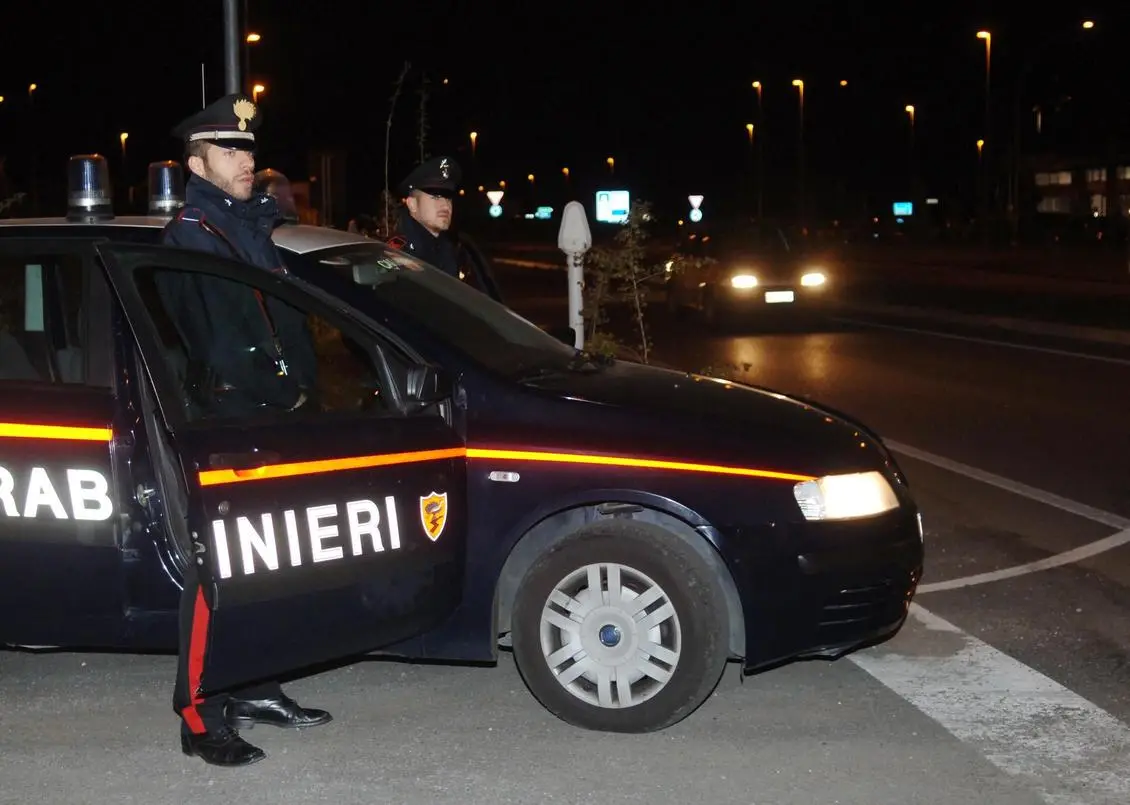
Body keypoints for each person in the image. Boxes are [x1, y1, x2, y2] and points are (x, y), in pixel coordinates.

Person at [159, 92, 332, 767]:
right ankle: (198, 712)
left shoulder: (255, 225)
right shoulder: (194, 233)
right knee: (219, 568)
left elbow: (284, 321)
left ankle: (256, 683)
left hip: (276, 413)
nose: (246, 159)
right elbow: (214, 342)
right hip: (228, 420)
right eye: (231, 149)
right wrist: (274, 392)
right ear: (197, 161)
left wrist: (302, 396)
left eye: (249, 149)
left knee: (271, 561)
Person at [391, 155, 463, 277]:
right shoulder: (397, 251)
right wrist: (390, 266)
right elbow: (372, 270)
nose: (446, 206)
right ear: (412, 204)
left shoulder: (447, 247)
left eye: (448, 198)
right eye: (435, 197)